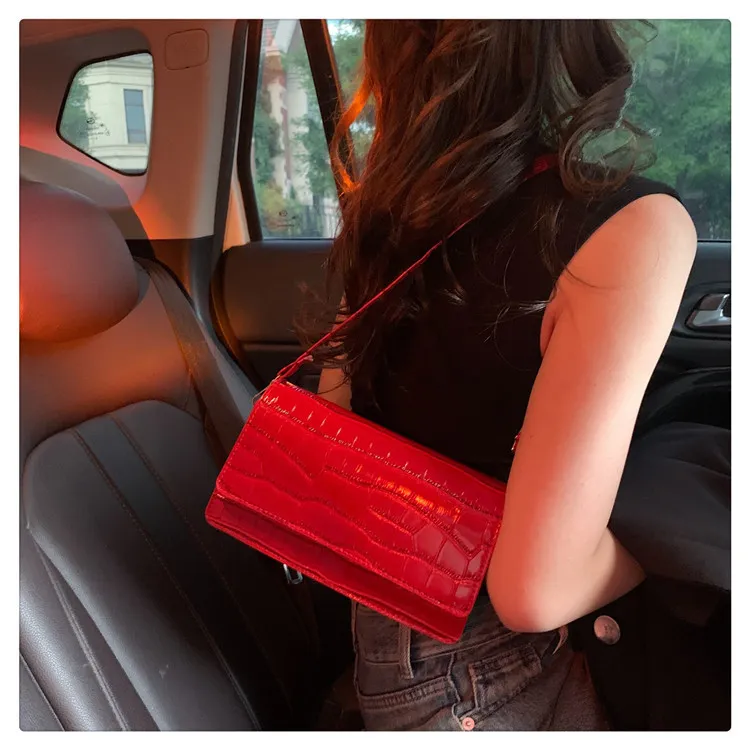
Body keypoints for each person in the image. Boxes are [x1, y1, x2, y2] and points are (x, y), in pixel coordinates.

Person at [309, 20, 701, 730]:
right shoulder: (631, 228)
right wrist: (685, 540)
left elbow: (336, 449)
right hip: (495, 673)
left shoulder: (385, 220)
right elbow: (535, 591)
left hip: (393, 654)